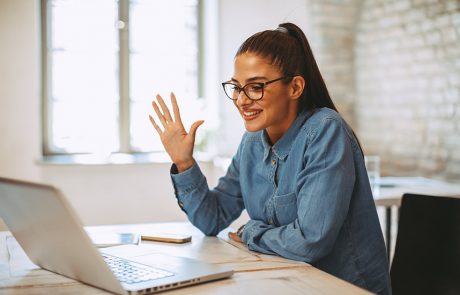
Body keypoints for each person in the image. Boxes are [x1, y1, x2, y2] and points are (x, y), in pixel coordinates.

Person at [149, 22, 391, 294]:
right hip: (285, 283)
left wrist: (252, 232)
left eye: (256, 87)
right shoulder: (252, 142)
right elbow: (212, 219)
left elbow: (310, 241)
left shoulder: (325, 130)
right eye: (237, 88)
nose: (241, 100)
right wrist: (184, 163)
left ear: (295, 87)